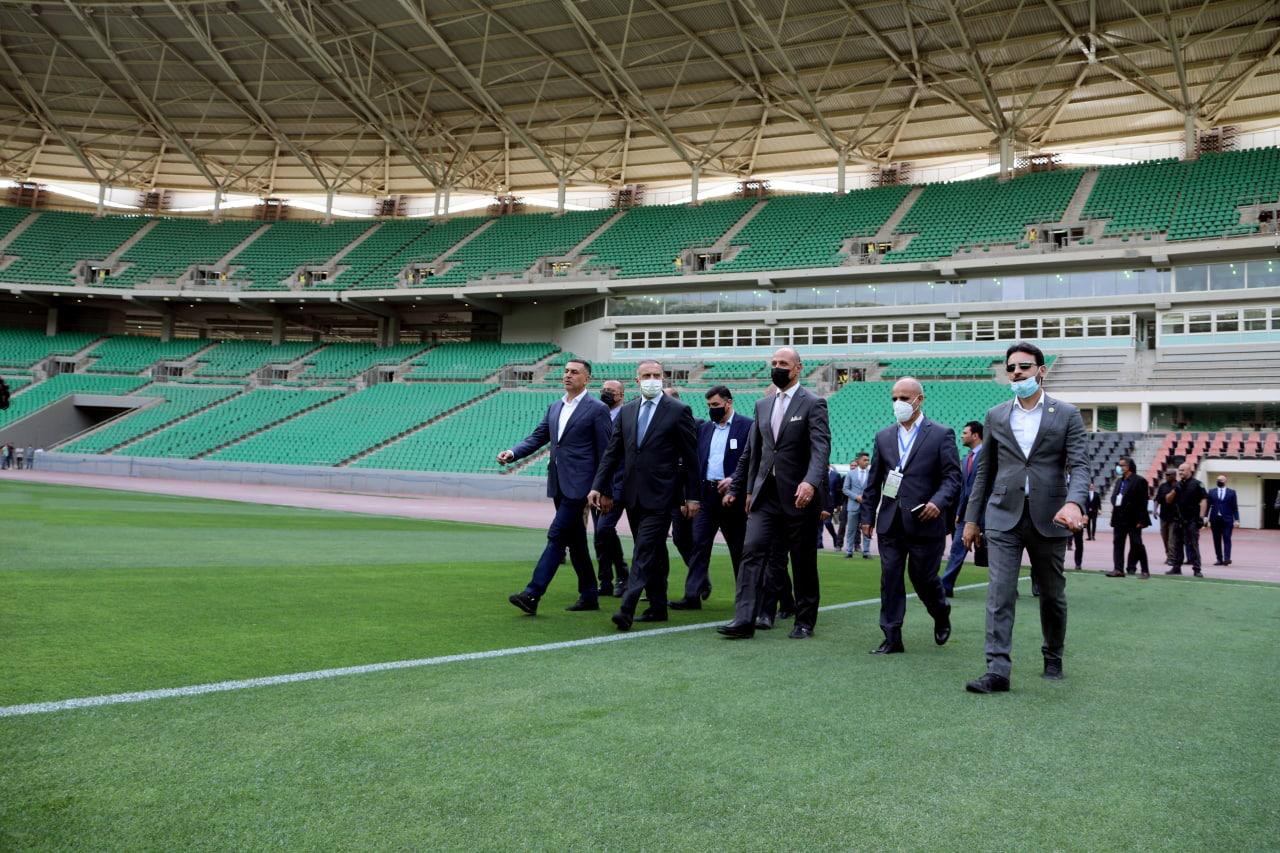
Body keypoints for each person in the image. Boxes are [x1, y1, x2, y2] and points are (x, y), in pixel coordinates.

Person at [963, 342, 1088, 694]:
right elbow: (985, 472)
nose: (1017, 373)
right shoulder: (996, 415)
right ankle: (997, 670)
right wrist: (971, 520)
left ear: (1041, 370)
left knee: (1052, 595)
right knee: (999, 593)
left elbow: (1080, 466)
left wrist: (1075, 503)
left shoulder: (1067, 414)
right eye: (1011, 368)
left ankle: (1053, 655)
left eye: (1024, 367)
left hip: (1051, 516)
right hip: (1003, 515)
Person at [719, 347, 830, 640]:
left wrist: (811, 482)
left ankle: (804, 621)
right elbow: (752, 452)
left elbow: (821, 448)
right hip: (765, 496)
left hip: (799, 497)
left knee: (803, 560)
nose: (777, 367)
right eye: (774, 363)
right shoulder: (763, 405)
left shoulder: (814, 403)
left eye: (783, 363)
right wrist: (742, 488)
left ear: (798, 368)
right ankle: (744, 619)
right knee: (751, 551)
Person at [589, 361, 700, 631]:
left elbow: (691, 458)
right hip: (633, 495)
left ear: (663, 378)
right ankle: (658, 607)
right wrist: (597, 486)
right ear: (637, 381)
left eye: (656, 375)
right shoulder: (627, 411)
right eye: (647, 375)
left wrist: (693, 497)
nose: (652, 379)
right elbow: (612, 452)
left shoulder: (678, 410)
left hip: (663, 495)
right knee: (655, 552)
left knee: (644, 549)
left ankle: (627, 607)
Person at [499, 358, 613, 615]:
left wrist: (605, 489)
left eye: (575, 372)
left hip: (582, 486)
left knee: (557, 535)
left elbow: (606, 452)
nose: (568, 375)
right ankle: (589, 595)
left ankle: (532, 594)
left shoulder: (597, 409)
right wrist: (513, 452)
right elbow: (538, 437)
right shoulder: (555, 407)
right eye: (566, 371)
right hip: (559, 483)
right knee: (577, 541)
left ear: (587, 379)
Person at [860, 377, 960, 655]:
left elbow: (952, 478)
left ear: (919, 400)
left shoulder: (941, 434)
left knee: (923, 578)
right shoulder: (883, 436)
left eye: (904, 398)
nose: (898, 403)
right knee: (890, 578)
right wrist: (867, 516)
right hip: (890, 521)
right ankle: (892, 636)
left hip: (925, 521)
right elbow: (874, 481)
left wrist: (937, 503)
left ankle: (940, 611)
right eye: (894, 398)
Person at [671, 386, 751, 610]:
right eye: (709, 406)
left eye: (715, 405)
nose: (712, 409)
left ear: (728, 402)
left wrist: (734, 480)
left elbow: (752, 460)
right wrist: (690, 496)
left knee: (738, 548)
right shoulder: (704, 429)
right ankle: (692, 596)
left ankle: (745, 599)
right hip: (706, 495)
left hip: (732, 498)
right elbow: (695, 464)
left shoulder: (747, 426)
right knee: (699, 544)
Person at [593, 379, 628, 596]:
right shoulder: (598, 415)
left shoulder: (626, 417)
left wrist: (610, 490)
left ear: (621, 395)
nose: (606, 393)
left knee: (604, 529)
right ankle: (605, 580)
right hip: (597, 485)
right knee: (599, 534)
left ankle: (623, 575)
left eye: (611, 391)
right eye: (604, 390)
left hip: (617, 485)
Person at [941, 421, 983, 596]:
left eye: (965, 433)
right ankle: (945, 586)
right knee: (957, 549)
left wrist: (980, 518)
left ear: (975, 435)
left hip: (987, 514)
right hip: (966, 515)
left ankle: (1010, 588)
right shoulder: (966, 459)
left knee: (997, 553)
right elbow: (964, 490)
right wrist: (959, 512)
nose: (961, 436)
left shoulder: (989, 456)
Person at [1106, 458, 1150, 578]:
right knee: (1118, 543)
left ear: (1129, 467)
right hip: (1119, 517)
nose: (1119, 467)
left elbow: (1143, 502)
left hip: (1133, 518)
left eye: (1122, 465)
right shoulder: (1119, 481)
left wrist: (1141, 520)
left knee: (1137, 544)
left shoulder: (1139, 481)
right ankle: (1118, 569)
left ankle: (1145, 570)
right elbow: (1114, 497)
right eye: (1119, 465)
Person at [1166, 461, 1208, 577]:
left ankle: (1197, 569)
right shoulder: (1177, 485)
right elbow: (1168, 500)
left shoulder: (1197, 484)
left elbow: (1204, 500)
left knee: (1193, 545)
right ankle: (1176, 568)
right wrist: (1175, 490)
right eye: (1179, 470)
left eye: (1182, 470)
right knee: (1177, 544)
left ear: (1189, 471)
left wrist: (1201, 517)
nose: (1180, 472)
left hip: (1192, 519)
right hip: (1178, 519)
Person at [843, 453, 872, 558]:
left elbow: (873, 489)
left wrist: (867, 498)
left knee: (867, 529)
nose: (867, 462)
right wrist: (856, 497)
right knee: (851, 530)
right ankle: (849, 551)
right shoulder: (850, 474)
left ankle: (866, 552)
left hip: (867, 507)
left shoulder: (871, 474)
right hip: (853, 506)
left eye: (868, 460)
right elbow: (845, 489)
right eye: (865, 460)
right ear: (858, 461)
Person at [1207, 475, 1239, 566]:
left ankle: (1227, 559)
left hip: (1227, 520)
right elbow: (1208, 505)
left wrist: (1237, 519)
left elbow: (1234, 507)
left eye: (1221, 480)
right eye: (1217, 479)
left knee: (1227, 538)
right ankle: (1219, 559)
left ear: (1225, 481)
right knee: (1216, 540)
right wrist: (1205, 517)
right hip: (1215, 519)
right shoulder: (1211, 492)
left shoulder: (1232, 492)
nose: (1218, 481)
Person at [1154, 470, 1179, 566]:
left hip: (1175, 517)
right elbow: (1157, 499)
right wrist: (1155, 510)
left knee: (1172, 538)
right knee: (1164, 538)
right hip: (1163, 516)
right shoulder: (1162, 486)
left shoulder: (1178, 486)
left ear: (1174, 476)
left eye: (1169, 475)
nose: (1166, 476)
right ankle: (1168, 555)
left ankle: (1172, 558)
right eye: (1166, 475)